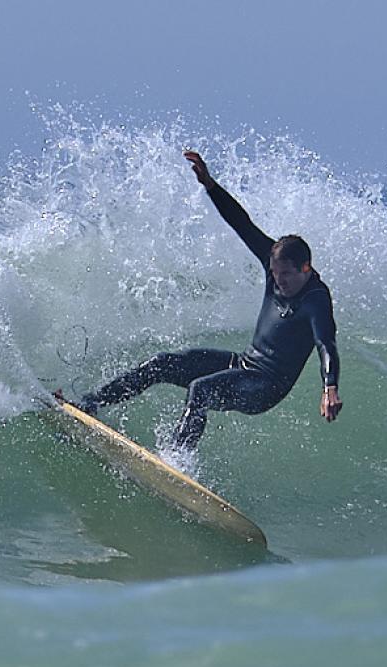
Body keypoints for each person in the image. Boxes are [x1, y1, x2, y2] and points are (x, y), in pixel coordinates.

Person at [76, 150, 342, 452]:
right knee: (163, 363)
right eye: (274, 273)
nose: (278, 281)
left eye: (286, 275)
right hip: (243, 364)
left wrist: (329, 387)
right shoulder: (276, 262)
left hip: (266, 387)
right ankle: (91, 403)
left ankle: (176, 459)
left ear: (305, 268)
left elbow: (326, 344)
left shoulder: (317, 301)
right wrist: (211, 186)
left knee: (200, 389)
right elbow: (242, 224)